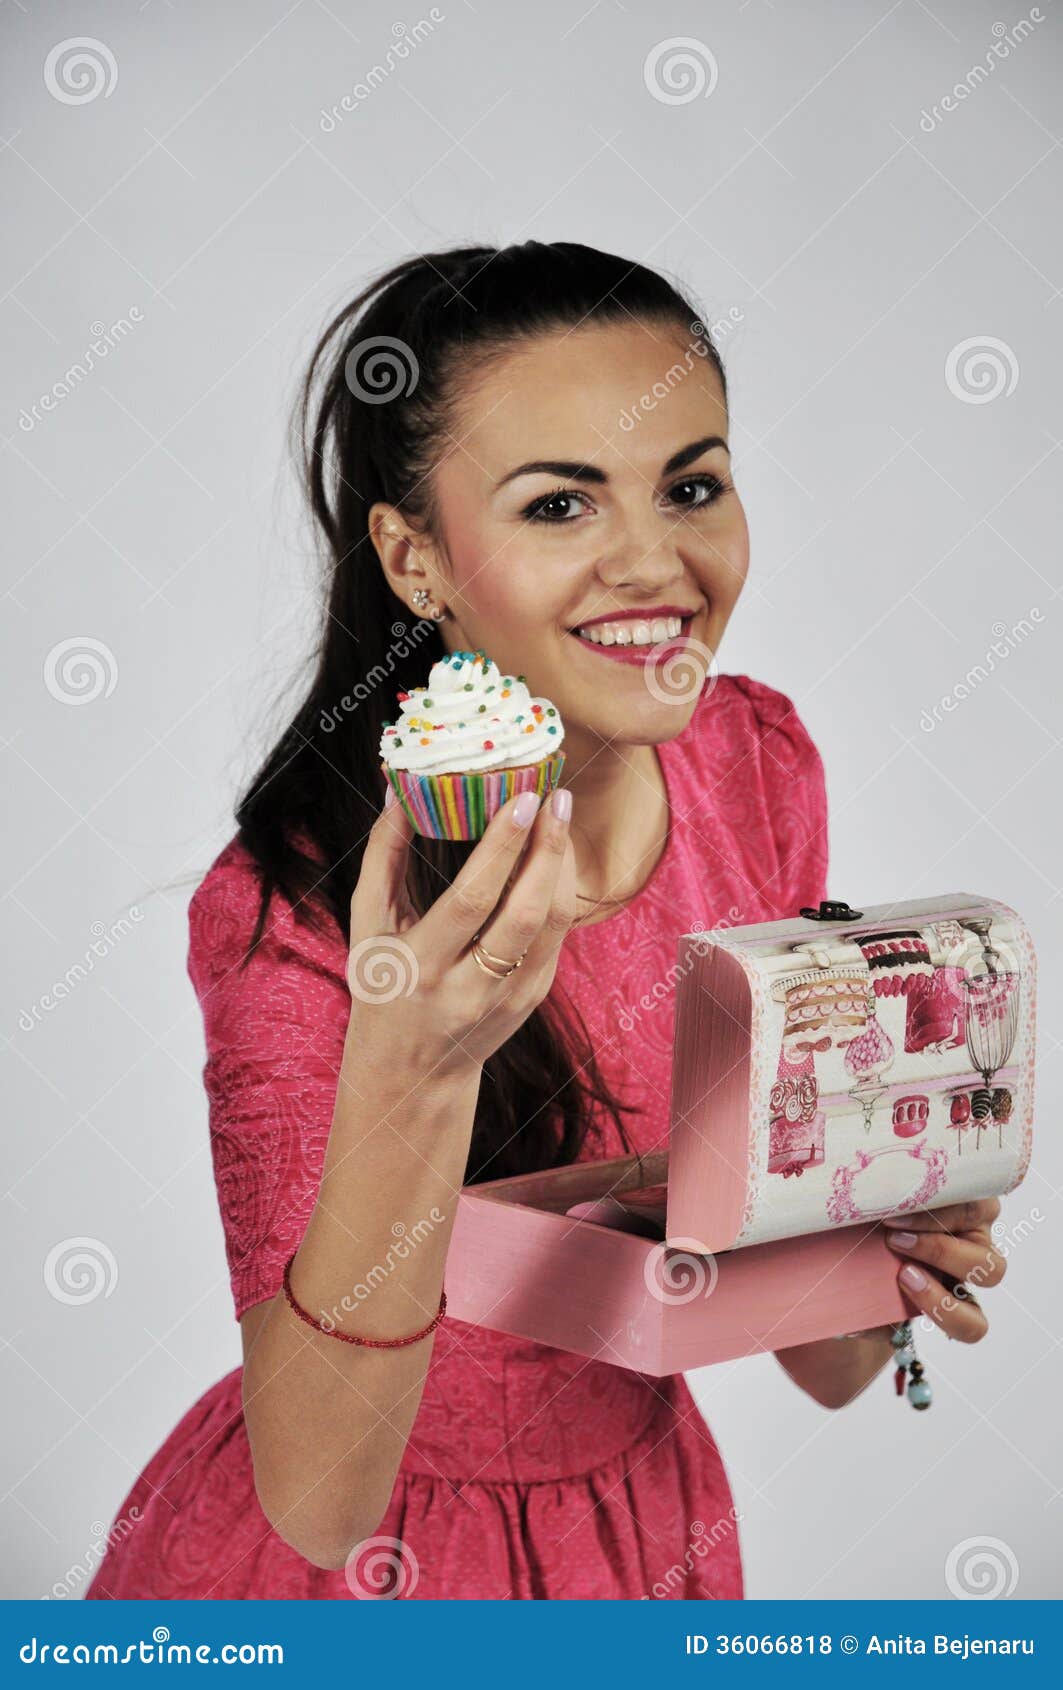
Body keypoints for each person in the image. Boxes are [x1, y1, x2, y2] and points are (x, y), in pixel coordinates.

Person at [87, 241, 1003, 1601]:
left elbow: (828, 1364)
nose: (655, 561)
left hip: (638, 1538)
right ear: (415, 559)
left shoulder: (756, 770)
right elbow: (320, 1501)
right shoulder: (296, 912)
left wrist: (883, 1242)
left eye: (691, 485)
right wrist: (421, 1058)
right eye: (560, 506)